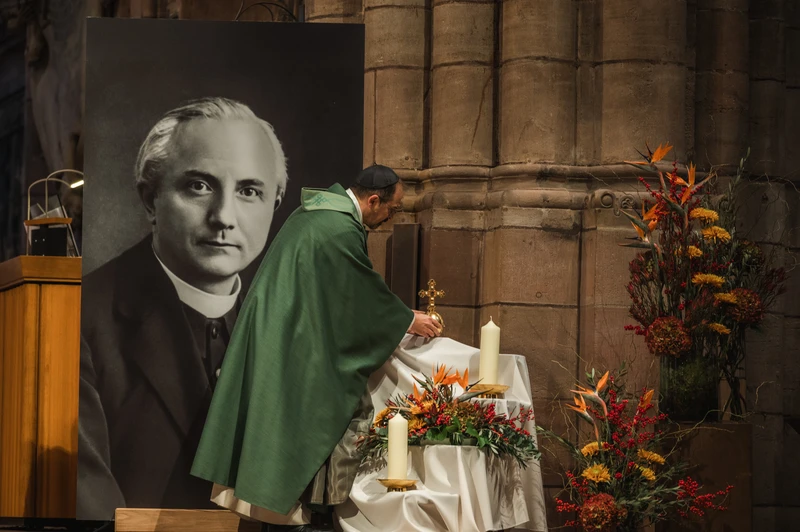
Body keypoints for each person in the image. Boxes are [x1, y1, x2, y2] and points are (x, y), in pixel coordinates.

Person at [190, 164, 441, 531]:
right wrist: (406, 320)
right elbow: (359, 293)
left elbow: (344, 291)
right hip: (295, 341)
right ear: (374, 200)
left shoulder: (321, 212)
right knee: (315, 415)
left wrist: (400, 314)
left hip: (285, 330)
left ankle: (282, 509)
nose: (392, 216)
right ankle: (301, 512)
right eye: (394, 208)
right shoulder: (338, 228)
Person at [77, 97, 288, 519]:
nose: (224, 216)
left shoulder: (287, 330)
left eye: (249, 191)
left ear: (275, 204)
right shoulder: (81, 318)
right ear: (150, 199)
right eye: (199, 186)